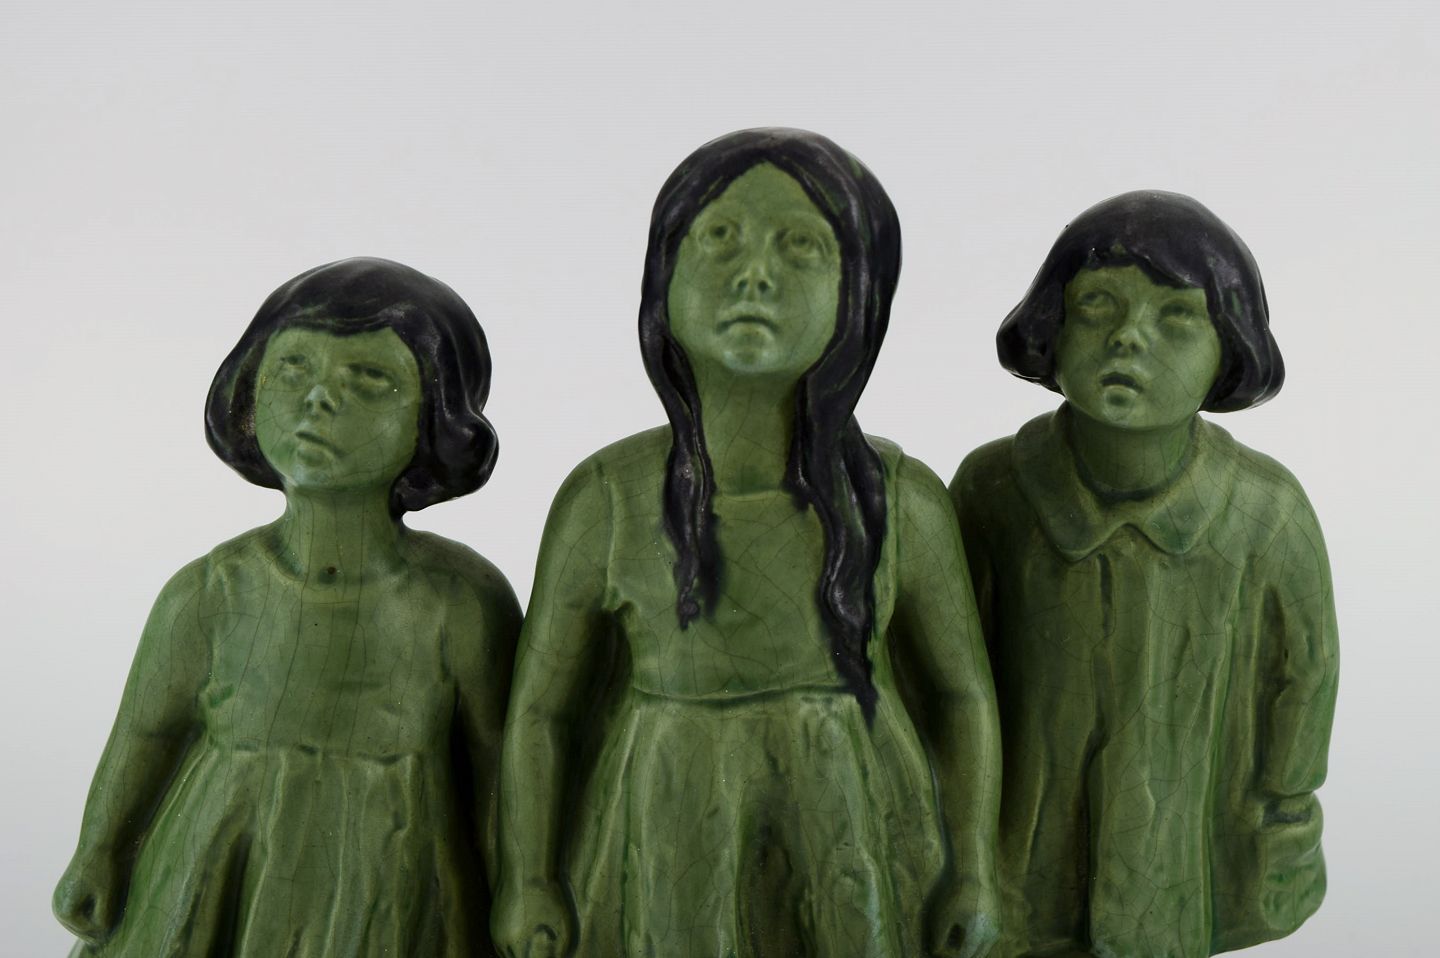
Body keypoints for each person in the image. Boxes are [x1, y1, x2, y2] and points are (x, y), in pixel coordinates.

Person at [492, 128, 1002, 958]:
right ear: (663, 277)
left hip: (854, 823)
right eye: (720, 237)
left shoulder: (904, 502)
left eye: (801, 246)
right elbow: (542, 711)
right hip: (668, 821)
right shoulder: (606, 500)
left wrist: (974, 868)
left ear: (859, 295)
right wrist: (529, 878)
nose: (754, 273)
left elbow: (963, 696)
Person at [53, 257, 520, 957]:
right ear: (248, 389)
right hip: (218, 869)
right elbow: (146, 737)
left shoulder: (462, 602)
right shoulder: (210, 593)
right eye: (294, 369)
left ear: (437, 420)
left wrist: (520, 885)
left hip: (392, 887)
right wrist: (100, 852)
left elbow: (497, 769)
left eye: (370, 380)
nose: (319, 399)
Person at [950, 192, 1338, 957]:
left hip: (1190, 845)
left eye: (1177, 316)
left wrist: (1286, 811)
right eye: (1097, 304)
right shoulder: (993, 491)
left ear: (1230, 348)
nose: (1128, 337)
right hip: (1020, 841)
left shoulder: (1266, 513)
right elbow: (948, 670)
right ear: (1050, 325)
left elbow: (1306, 672)